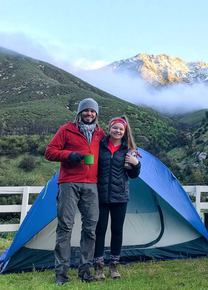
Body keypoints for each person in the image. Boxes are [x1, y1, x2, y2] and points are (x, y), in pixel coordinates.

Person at [44, 98, 106, 285]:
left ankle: (85, 271)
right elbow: (49, 152)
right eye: (86, 111)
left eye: (92, 111)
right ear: (80, 113)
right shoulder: (66, 130)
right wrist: (69, 155)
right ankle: (61, 273)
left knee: (90, 229)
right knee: (65, 227)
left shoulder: (100, 134)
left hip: (92, 184)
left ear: (96, 114)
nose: (89, 114)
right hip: (69, 183)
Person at [94, 116, 141, 280]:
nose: (118, 131)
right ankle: (98, 267)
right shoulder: (99, 146)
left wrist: (136, 163)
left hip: (120, 196)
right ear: (110, 128)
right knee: (99, 231)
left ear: (124, 131)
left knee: (117, 231)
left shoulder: (128, 150)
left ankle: (114, 267)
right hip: (101, 195)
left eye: (121, 129)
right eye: (115, 128)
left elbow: (133, 175)